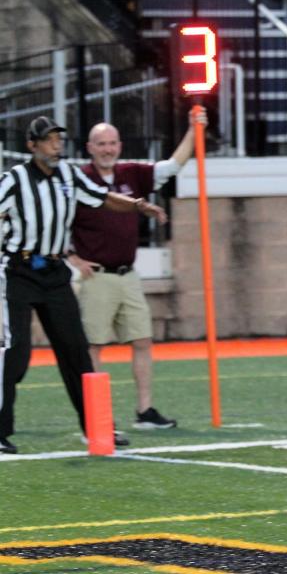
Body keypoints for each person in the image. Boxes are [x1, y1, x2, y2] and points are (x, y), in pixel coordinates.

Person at [0, 116, 167, 454]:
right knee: (14, 355)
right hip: (18, 270)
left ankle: (97, 428)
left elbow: (101, 197)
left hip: (54, 272)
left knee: (77, 352)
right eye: (48, 140)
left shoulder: (68, 175)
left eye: (59, 139)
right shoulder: (14, 180)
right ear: (32, 146)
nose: (57, 145)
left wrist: (137, 205)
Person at [67, 110, 206, 430]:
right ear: (89, 147)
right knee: (94, 346)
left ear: (120, 145)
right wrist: (74, 258)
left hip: (128, 275)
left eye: (112, 143)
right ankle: (97, 416)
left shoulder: (132, 173)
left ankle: (145, 411)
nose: (107, 149)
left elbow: (173, 166)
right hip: (96, 276)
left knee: (142, 339)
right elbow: (59, 222)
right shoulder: (79, 179)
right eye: (101, 143)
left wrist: (192, 129)